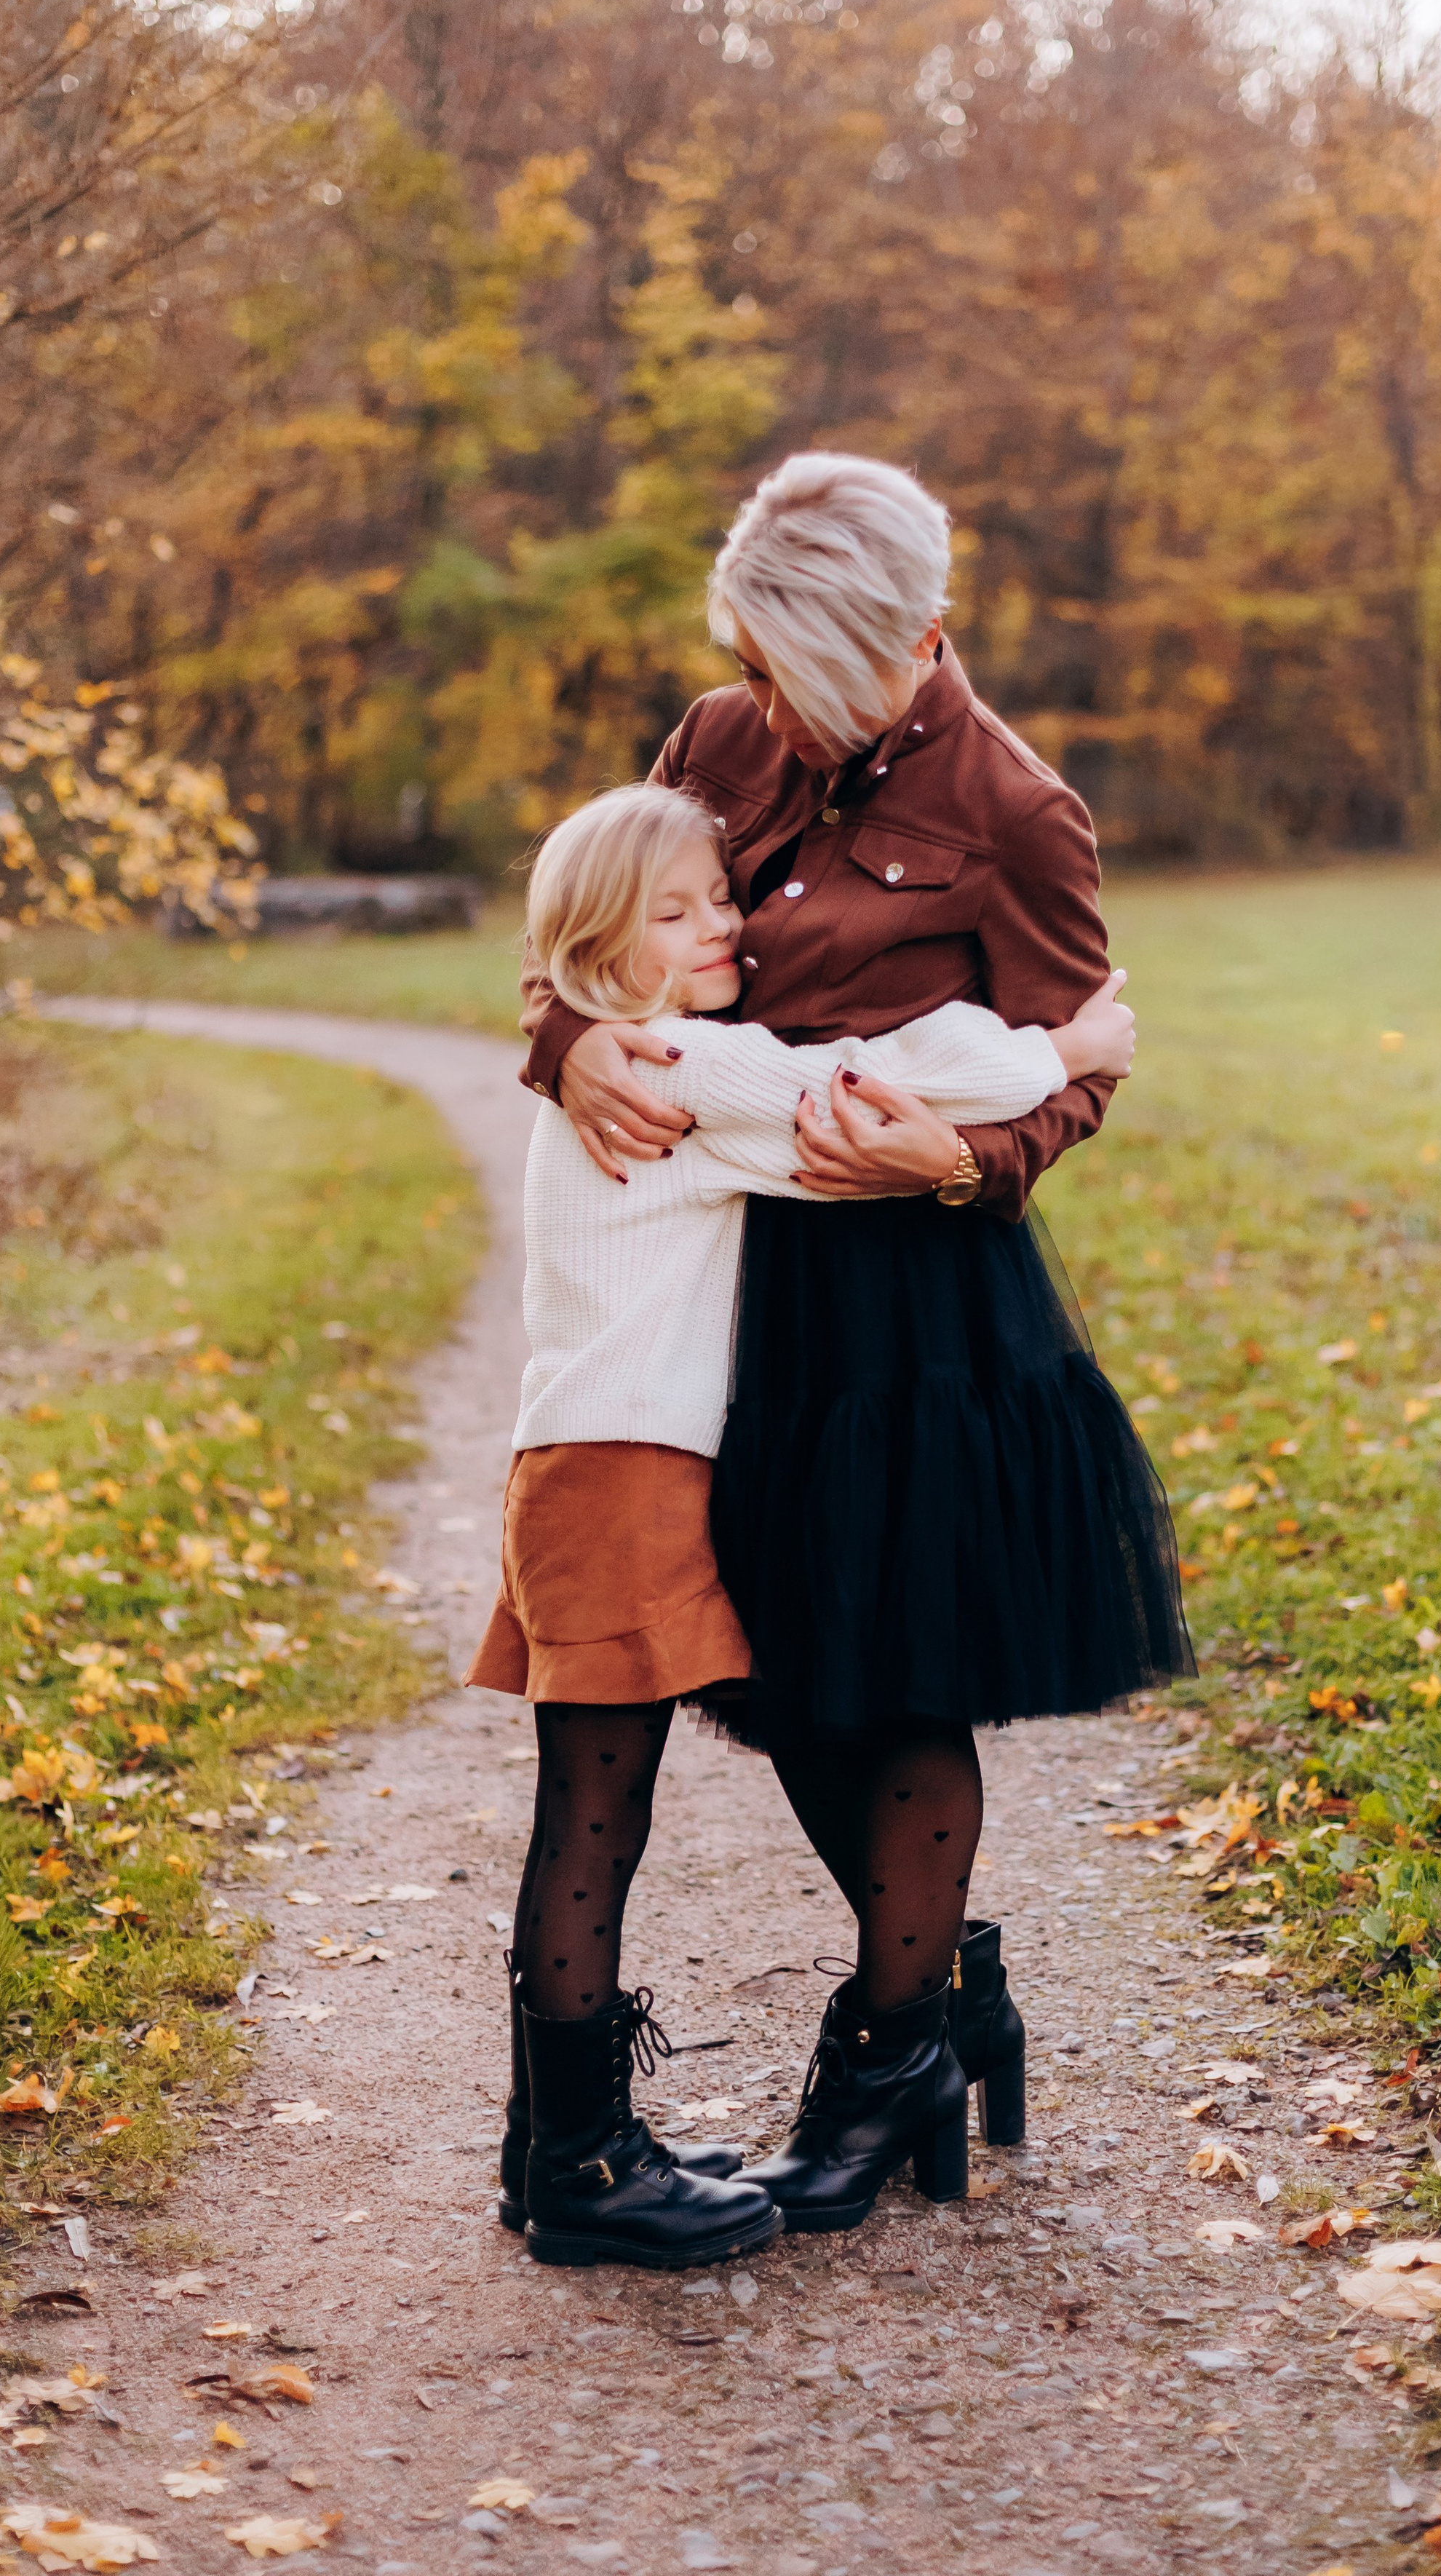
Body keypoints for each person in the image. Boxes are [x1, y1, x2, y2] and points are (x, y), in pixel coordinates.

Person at [520, 452, 1195, 2239]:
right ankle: (950, 1984)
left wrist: (960, 1159)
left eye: (788, 670)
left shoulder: (1019, 809)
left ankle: (889, 2042)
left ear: (907, 636)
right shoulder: (717, 741)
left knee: (885, 1671)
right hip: (729, 1274)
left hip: (911, 1298)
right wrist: (561, 1049)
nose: (759, 707)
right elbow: (597, 931)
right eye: (743, 666)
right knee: (771, 1663)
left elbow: (1077, 1061)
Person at [476, 780, 1134, 2267]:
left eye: (722, 897)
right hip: (626, 1474)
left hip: (587, 1468)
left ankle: (558, 2147)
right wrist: (1067, 1049)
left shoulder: (632, 1055)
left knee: (600, 1804)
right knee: (593, 1816)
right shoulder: (673, 1063)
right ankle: (577, 2163)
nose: (724, 926)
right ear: (596, 942)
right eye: (677, 911)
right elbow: (872, 1084)